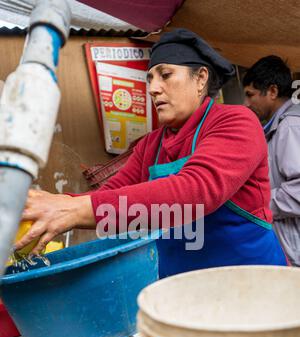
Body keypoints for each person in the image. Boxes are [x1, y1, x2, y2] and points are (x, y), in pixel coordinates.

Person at [16, 29, 287, 278]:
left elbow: (196, 190)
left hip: (251, 286)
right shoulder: (152, 145)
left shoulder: (236, 122)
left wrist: (73, 209)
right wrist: (49, 205)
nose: (153, 88)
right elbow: (105, 199)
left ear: (201, 78)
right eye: (150, 78)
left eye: (165, 75)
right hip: (181, 290)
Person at [243, 56, 300, 266]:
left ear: (273, 91)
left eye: (251, 95)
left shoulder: (291, 126)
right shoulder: (280, 127)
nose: (246, 104)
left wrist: (257, 203)